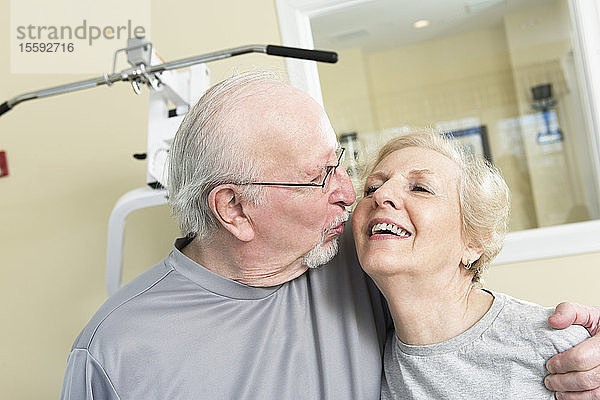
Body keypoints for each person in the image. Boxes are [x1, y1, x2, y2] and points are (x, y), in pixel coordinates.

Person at [60, 72, 600, 400]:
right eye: (321, 176)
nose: (353, 193)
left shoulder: (362, 253)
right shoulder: (115, 351)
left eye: (341, 162)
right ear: (236, 209)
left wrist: (590, 347)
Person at [351, 131, 594, 399]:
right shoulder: (360, 363)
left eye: (420, 188)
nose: (381, 194)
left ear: (474, 241)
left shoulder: (559, 347)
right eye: (372, 188)